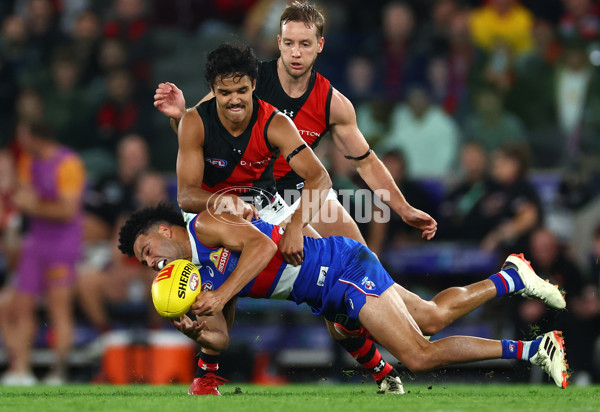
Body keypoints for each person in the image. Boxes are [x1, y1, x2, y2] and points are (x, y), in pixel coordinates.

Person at [154, 3, 437, 393]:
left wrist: (402, 208)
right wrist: (178, 114)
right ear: (279, 43)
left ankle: (396, 353)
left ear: (320, 45)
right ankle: (208, 374)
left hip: (303, 194)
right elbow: (202, 127)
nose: (296, 52)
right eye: (289, 43)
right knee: (224, 270)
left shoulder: (332, 103)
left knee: (359, 285)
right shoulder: (249, 79)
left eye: (305, 44)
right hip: (243, 196)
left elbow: (365, 161)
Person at [118, 203, 570, 391]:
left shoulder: (205, 225)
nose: (152, 264)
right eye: (144, 264)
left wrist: (220, 296)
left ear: (163, 230)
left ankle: (534, 348)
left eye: (147, 252)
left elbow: (263, 246)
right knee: (430, 318)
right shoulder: (196, 277)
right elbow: (219, 339)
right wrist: (195, 327)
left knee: (418, 355)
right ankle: (513, 276)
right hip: (327, 291)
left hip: (341, 267)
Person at [1, 121, 86, 385]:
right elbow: (23, 196)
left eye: (23, 137)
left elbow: (67, 211)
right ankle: (21, 369)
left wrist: (33, 206)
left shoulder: (68, 164)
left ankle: (58, 372)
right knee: (21, 305)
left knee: (58, 308)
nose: (20, 142)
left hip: (62, 244)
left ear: (35, 137)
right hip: (35, 242)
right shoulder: (28, 161)